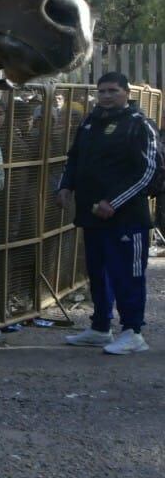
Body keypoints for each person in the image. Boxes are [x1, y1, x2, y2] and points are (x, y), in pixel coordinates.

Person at [57, 72, 157, 355]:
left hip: (126, 219)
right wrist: (66, 186)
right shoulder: (90, 122)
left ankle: (133, 332)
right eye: (102, 91)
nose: (106, 96)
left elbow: (147, 171)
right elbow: (74, 157)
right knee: (97, 273)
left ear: (126, 92)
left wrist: (114, 202)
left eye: (112, 91)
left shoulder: (139, 125)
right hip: (92, 217)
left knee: (128, 274)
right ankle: (101, 327)